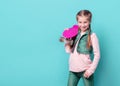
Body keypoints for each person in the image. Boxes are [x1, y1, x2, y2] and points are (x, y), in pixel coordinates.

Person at [64, 10, 100, 86]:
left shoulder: (92, 36)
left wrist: (90, 70)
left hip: (86, 70)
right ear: (77, 22)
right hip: (73, 70)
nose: (82, 25)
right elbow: (68, 51)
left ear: (89, 21)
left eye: (85, 22)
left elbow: (97, 55)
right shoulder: (75, 33)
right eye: (80, 22)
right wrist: (67, 38)